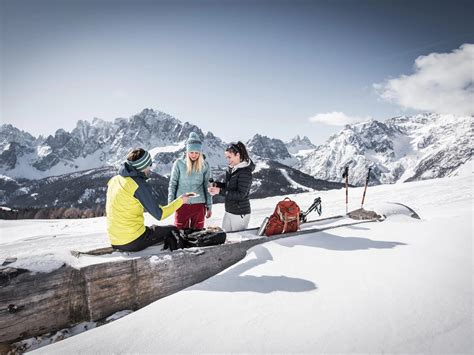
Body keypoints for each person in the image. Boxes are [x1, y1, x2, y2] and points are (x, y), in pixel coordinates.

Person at [106, 148, 190, 252]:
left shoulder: (115, 180)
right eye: (149, 165)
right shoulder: (138, 184)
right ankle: (179, 259)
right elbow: (159, 215)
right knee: (172, 231)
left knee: (154, 229)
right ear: (142, 167)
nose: (150, 169)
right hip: (132, 241)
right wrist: (181, 200)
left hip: (114, 239)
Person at [168, 132, 212, 230]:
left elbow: (207, 186)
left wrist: (209, 206)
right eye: (191, 152)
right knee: (180, 233)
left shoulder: (205, 165)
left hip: (199, 205)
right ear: (187, 151)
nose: (194, 155)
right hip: (182, 204)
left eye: (197, 152)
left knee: (198, 235)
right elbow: (173, 183)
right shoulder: (179, 164)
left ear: (200, 153)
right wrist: (171, 203)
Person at [208, 141, 255, 231]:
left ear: (237, 155)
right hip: (229, 211)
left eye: (229, 157)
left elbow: (241, 195)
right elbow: (230, 186)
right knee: (226, 238)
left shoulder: (245, 172)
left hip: (240, 213)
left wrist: (219, 191)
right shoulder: (233, 169)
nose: (228, 160)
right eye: (227, 158)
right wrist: (217, 184)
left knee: (237, 241)